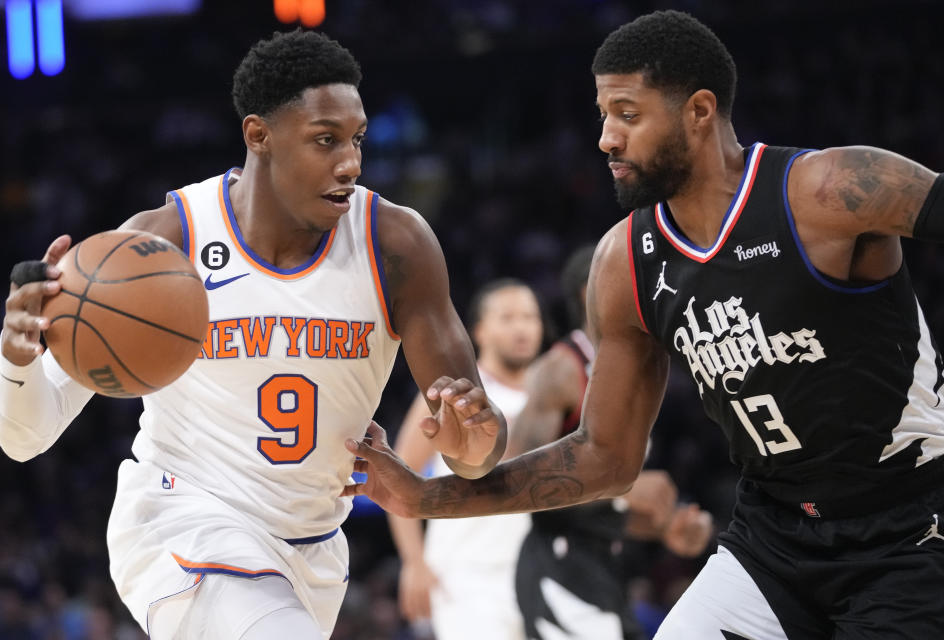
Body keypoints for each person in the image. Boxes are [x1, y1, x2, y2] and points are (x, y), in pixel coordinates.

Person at [345, 10, 944, 639]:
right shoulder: (624, 260)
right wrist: (421, 498)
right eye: (604, 115)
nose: (606, 138)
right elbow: (605, 456)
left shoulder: (830, 188)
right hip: (776, 539)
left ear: (699, 111)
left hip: (912, 527)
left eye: (628, 115)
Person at [0, 30, 506, 640]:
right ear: (258, 135)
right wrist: (17, 358)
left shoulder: (397, 244)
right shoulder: (166, 239)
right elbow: (25, 437)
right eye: (325, 140)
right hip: (182, 523)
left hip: (312, 550)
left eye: (357, 139)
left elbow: (475, 449)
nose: (351, 162)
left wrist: (473, 441)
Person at [507, 245, 712, 640]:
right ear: (593, 289)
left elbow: (603, 508)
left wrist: (664, 525)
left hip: (606, 563)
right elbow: (518, 483)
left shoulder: (638, 368)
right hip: (559, 565)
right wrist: (628, 490)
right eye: (642, 279)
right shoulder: (561, 369)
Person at [388, 279, 542, 640]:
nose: (521, 327)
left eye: (530, 317)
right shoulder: (455, 394)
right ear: (480, 331)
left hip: (541, 567)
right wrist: (413, 562)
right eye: (507, 317)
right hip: (467, 575)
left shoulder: (551, 392)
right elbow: (399, 474)